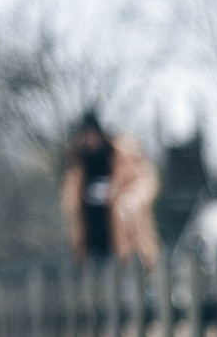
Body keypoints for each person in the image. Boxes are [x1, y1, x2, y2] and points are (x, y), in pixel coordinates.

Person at [60, 110, 162, 269]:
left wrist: (129, 200)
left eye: (93, 134)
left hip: (128, 247)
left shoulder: (123, 157)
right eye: (86, 135)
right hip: (93, 249)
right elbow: (72, 208)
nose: (90, 140)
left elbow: (146, 182)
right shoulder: (79, 167)